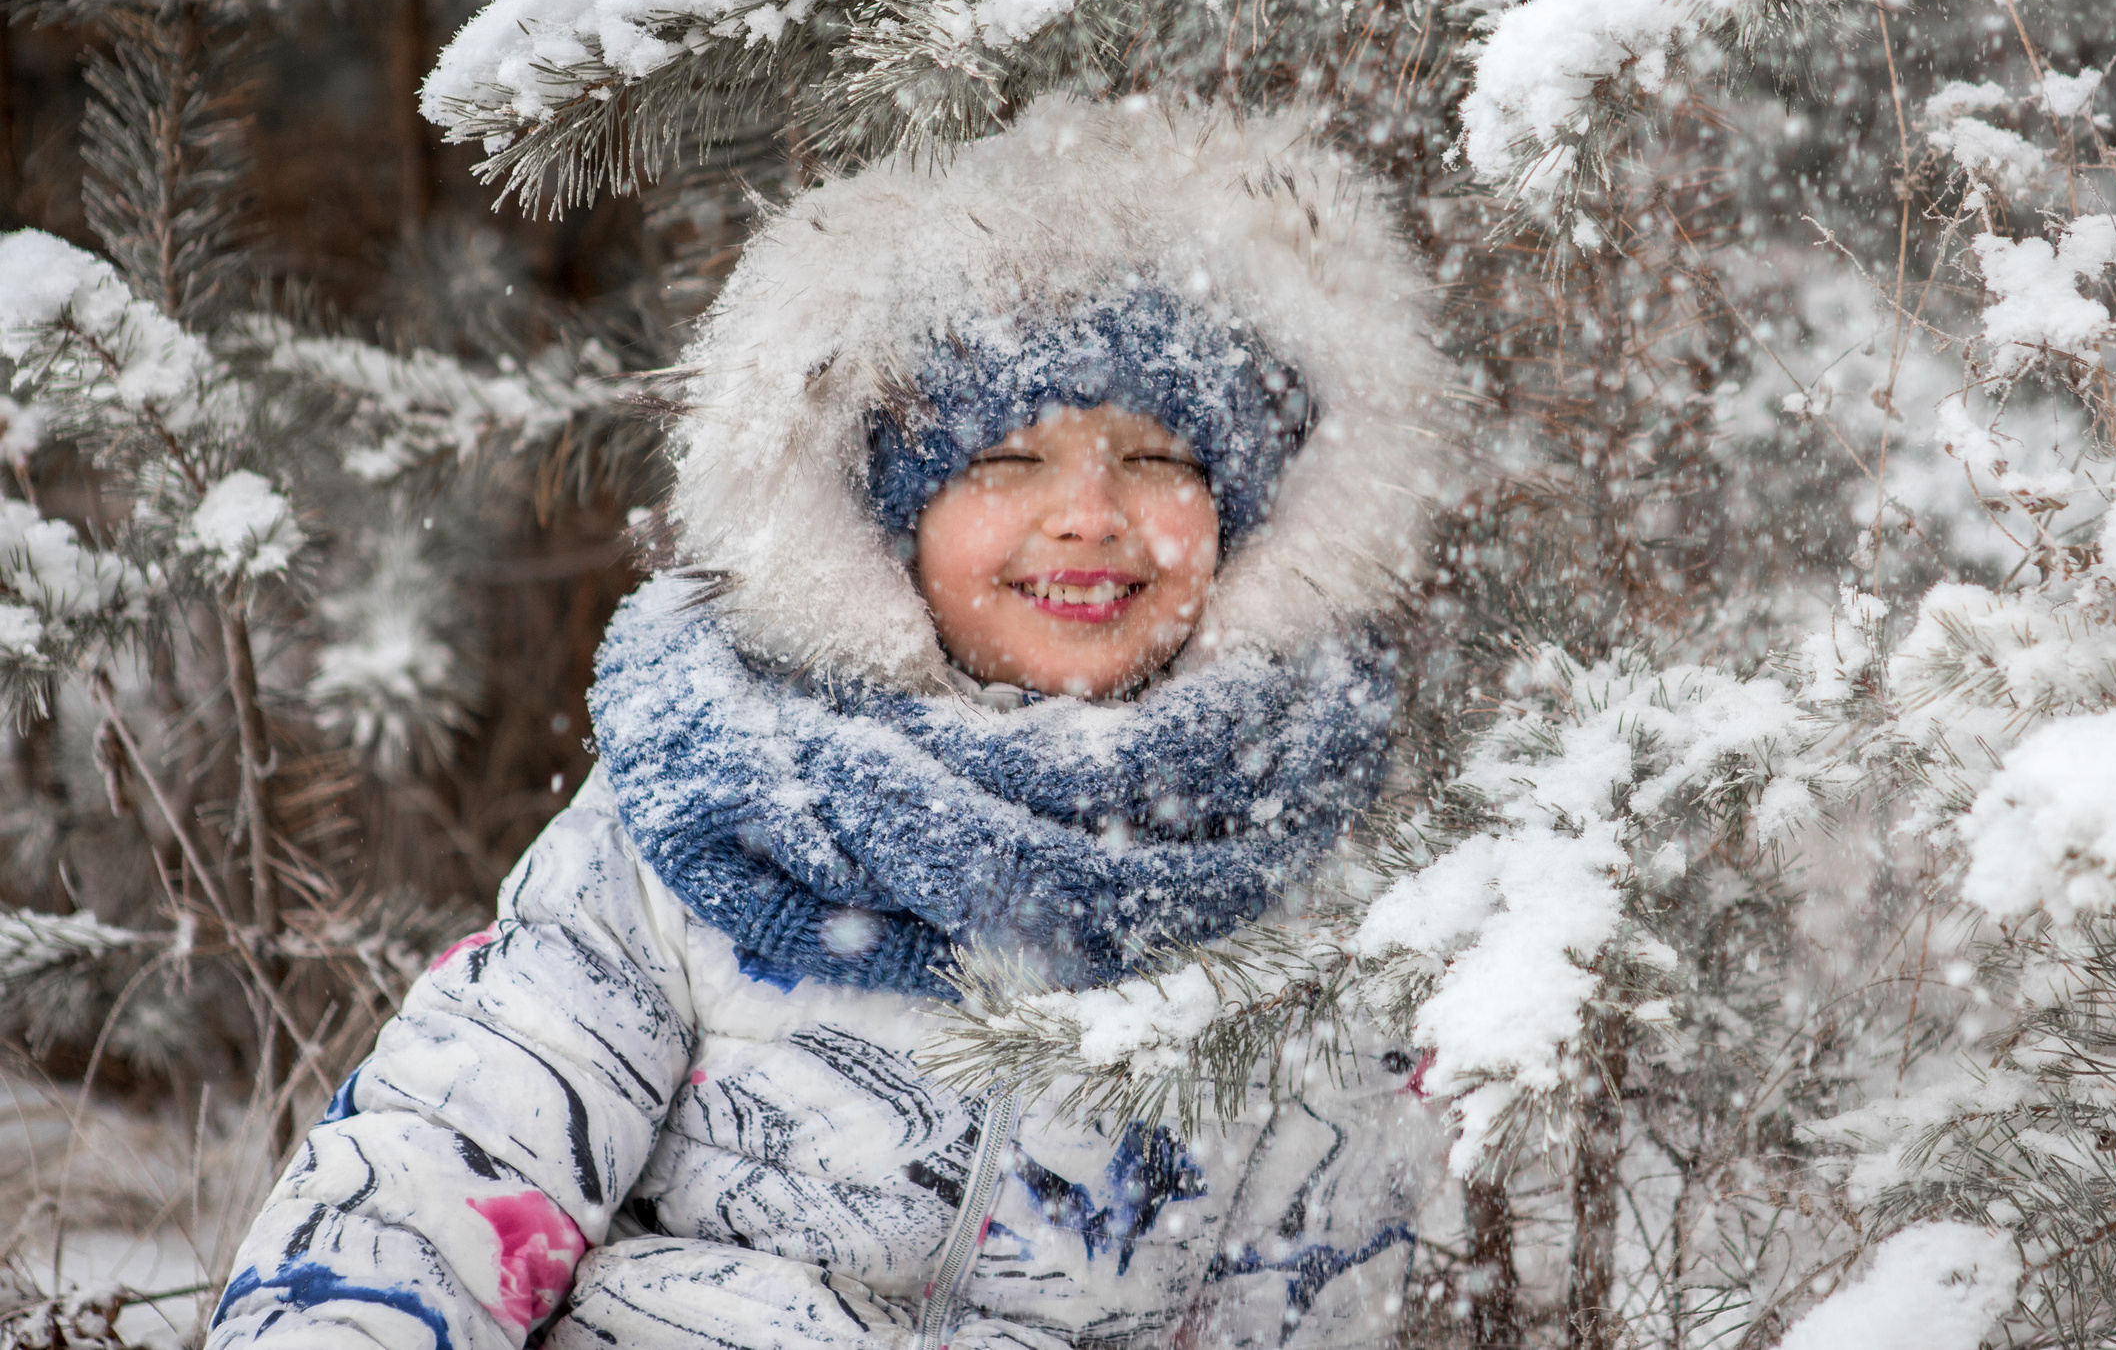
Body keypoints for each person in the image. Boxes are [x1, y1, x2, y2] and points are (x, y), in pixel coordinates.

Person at [208, 98, 1460, 1350]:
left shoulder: (1291, 856)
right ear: (891, 524)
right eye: (1005, 462)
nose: (1088, 514)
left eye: (1154, 458)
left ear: (1236, 517)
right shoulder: (728, 794)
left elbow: (1319, 1292)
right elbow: (453, 1151)